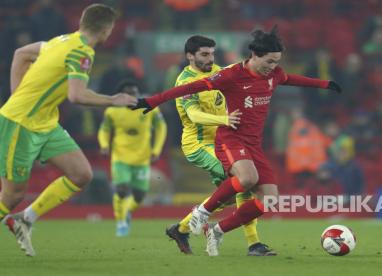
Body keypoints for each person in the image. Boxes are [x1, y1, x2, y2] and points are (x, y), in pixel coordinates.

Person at [133, 26, 341, 256]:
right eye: (270, 62)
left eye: (276, 62)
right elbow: (190, 90)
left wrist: (324, 84)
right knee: (246, 179)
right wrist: (152, 101)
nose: (273, 67)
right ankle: (205, 214)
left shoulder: (273, 75)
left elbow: (291, 78)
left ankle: (217, 230)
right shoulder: (230, 75)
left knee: (269, 200)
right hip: (225, 139)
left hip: (253, 145)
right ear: (255, 55)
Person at [0, 4, 136, 257]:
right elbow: (77, 95)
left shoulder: (60, 40)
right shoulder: (82, 52)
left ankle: (24, 219)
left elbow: (21, 54)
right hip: (19, 124)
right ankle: (16, 214)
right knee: (12, 194)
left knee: (81, 174)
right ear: (107, 29)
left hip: (46, 124)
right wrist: (113, 100)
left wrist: (17, 93)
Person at [164, 35, 275, 256]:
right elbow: (193, 114)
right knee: (245, 181)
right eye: (204, 54)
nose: (210, 58)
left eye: (212, 53)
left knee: (244, 183)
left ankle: (182, 228)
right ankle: (253, 243)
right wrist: (224, 120)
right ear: (189, 56)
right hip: (199, 143)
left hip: (226, 141)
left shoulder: (219, 72)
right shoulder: (185, 81)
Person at [98, 80, 167, 237]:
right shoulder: (112, 111)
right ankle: (121, 222)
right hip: (120, 156)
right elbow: (104, 130)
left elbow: (162, 128)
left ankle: (127, 211)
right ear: (121, 96)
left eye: (134, 93)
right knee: (121, 189)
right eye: (128, 94)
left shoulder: (149, 109)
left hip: (142, 158)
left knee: (139, 195)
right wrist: (104, 145)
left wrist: (157, 149)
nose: (132, 96)